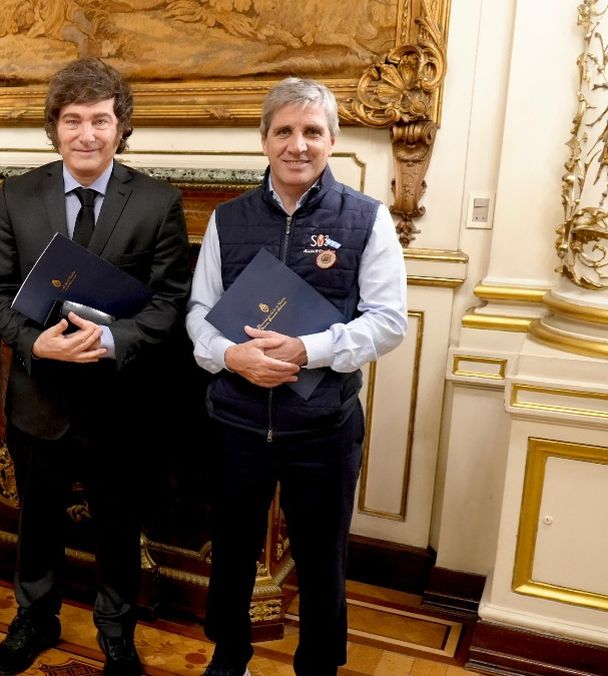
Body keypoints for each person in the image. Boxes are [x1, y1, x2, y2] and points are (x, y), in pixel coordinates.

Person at [185, 77, 408, 676]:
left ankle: (318, 666)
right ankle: (229, 657)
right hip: (234, 421)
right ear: (264, 140)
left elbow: (388, 323)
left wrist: (305, 350)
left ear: (332, 139)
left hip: (323, 427)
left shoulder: (367, 219)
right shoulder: (228, 219)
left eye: (312, 131)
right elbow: (199, 312)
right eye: (284, 130)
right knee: (230, 552)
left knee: (320, 560)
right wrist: (231, 358)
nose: (298, 144)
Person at [0, 58, 191, 676]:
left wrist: (114, 340)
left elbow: (170, 299)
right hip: (38, 395)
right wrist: (33, 344)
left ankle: (116, 628)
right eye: (73, 120)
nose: (87, 134)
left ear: (121, 127)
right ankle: (35, 618)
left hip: (119, 402)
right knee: (37, 521)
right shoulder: (17, 195)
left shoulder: (157, 202)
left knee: (119, 525)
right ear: (55, 128)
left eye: (101, 120)